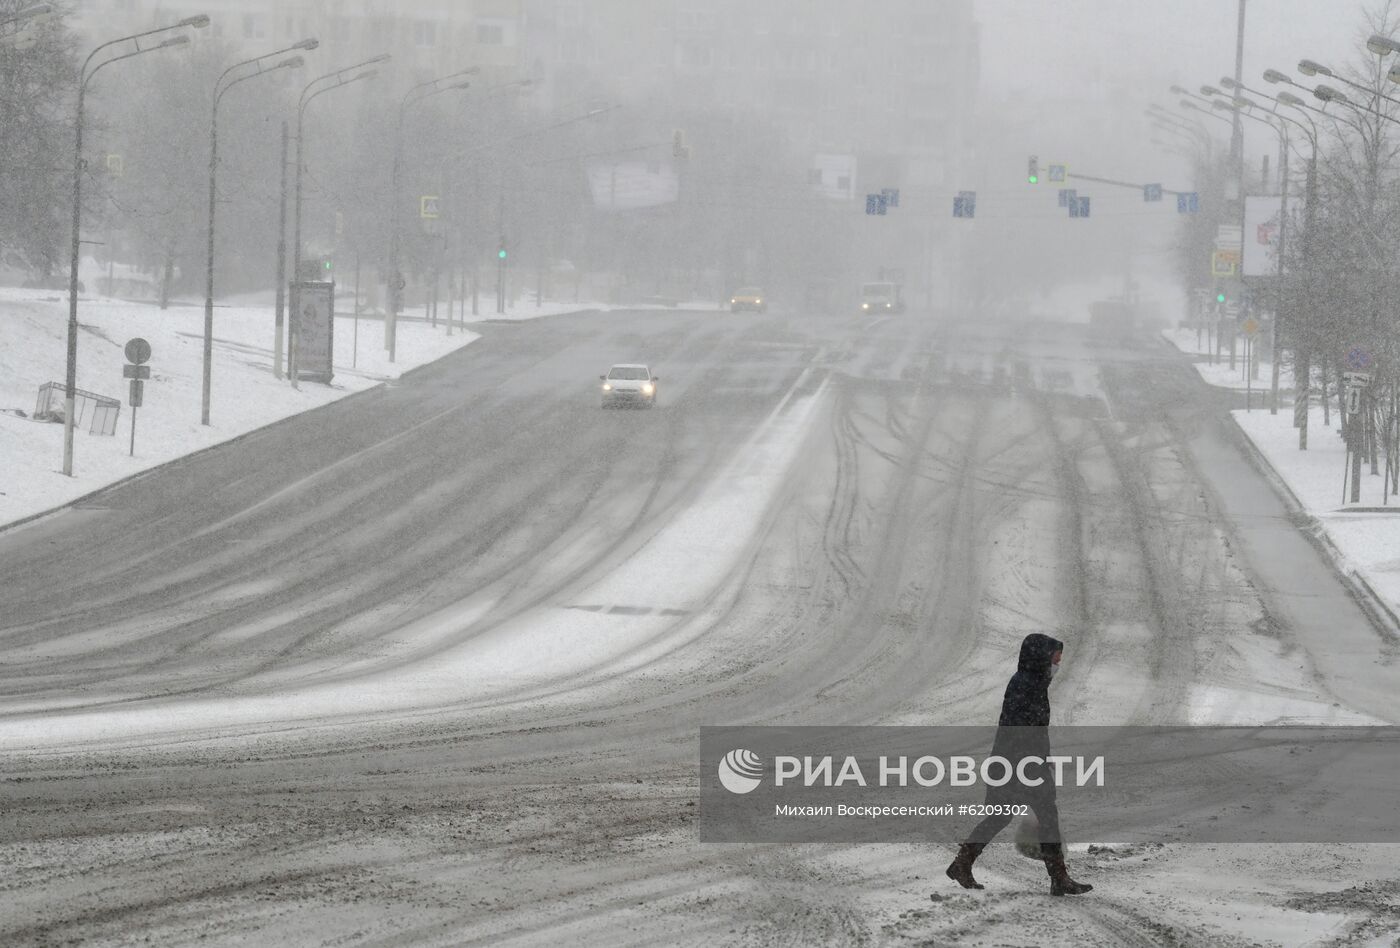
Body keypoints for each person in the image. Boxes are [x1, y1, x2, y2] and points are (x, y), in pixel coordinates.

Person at [945, 632, 1093, 896]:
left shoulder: (1032, 682)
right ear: (1040, 656)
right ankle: (1058, 877)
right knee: (1036, 814)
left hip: (1018, 763)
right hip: (1018, 764)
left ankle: (962, 864)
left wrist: (1043, 759)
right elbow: (1022, 730)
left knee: (1007, 815)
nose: (1058, 661)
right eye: (1055, 656)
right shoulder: (1026, 684)